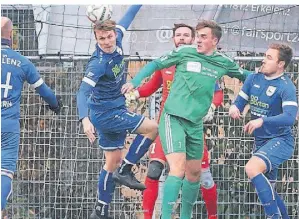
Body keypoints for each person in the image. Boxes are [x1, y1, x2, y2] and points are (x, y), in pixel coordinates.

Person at [122, 20, 251, 219]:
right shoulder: (183, 53)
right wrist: (135, 83)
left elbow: (246, 76)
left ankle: (188, 216)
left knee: (195, 174)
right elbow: (155, 64)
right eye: (197, 35)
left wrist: (272, 79)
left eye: (203, 36)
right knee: (175, 168)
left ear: (214, 40)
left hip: (195, 123)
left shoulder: (222, 63)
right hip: (172, 118)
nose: (197, 40)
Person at [76, 6, 158, 219]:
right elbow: (83, 92)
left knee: (111, 162)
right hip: (106, 114)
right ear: (96, 37)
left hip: (113, 109)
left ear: (114, 34)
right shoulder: (98, 63)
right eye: (101, 38)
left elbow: (128, 17)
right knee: (152, 128)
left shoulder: (119, 38)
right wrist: (85, 120)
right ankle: (127, 171)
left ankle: (101, 210)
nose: (106, 42)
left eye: (109, 36)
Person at [229, 43, 297, 219]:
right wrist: (234, 108)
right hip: (261, 142)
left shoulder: (286, 86)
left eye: (269, 57)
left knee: (251, 168)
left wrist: (262, 120)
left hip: (281, 141)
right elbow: (239, 102)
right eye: (265, 55)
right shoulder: (253, 78)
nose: (263, 60)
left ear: (280, 64)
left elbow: (290, 117)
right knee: (270, 193)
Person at [1, 17, 62, 212]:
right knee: (5, 170)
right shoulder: (22, 62)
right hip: (8, 125)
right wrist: (55, 105)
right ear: (11, 36)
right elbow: (44, 91)